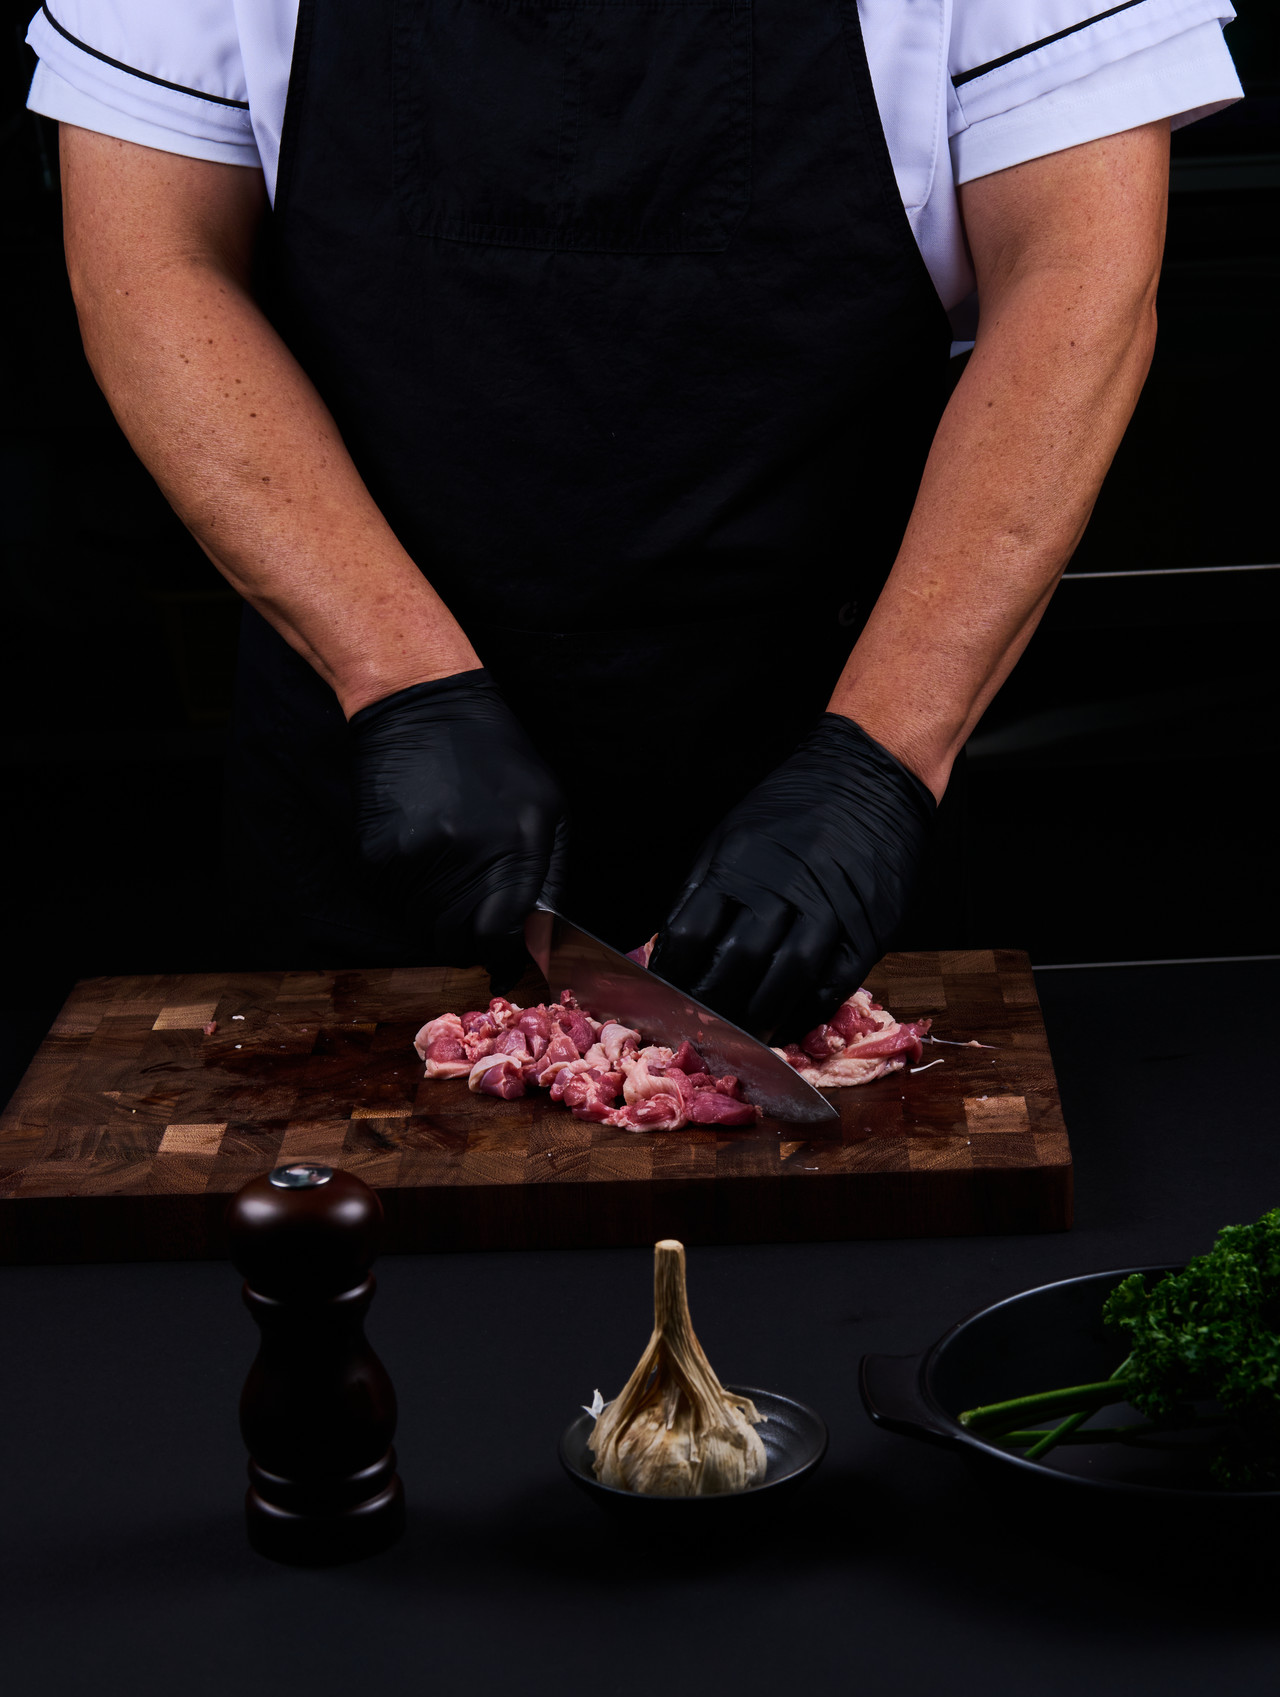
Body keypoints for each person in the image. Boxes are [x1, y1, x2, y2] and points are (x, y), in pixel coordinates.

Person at [29, 0, 1241, 1037]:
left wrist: (877, 761)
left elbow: (1074, 279)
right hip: (381, 790)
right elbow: (151, 265)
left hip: (820, 782)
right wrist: (394, 677)